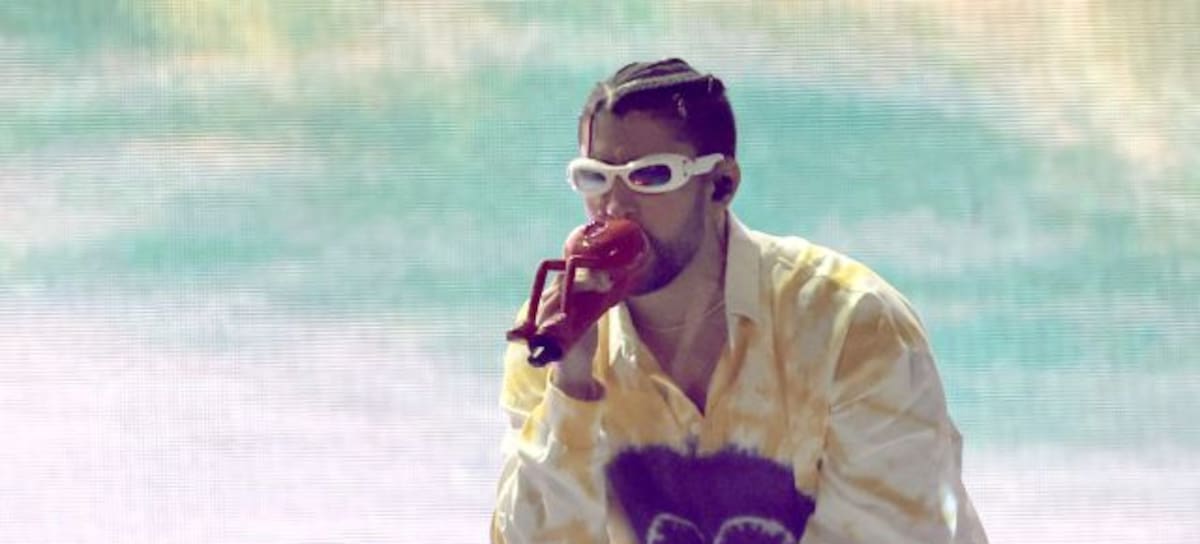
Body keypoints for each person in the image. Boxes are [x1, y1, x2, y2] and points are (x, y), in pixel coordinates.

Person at [491, 58, 988, 544]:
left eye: (651, 176)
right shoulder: (552, 341)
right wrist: (572, 388)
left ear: (721, 184)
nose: (616, 206)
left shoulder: (851, 326)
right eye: (595, 177)